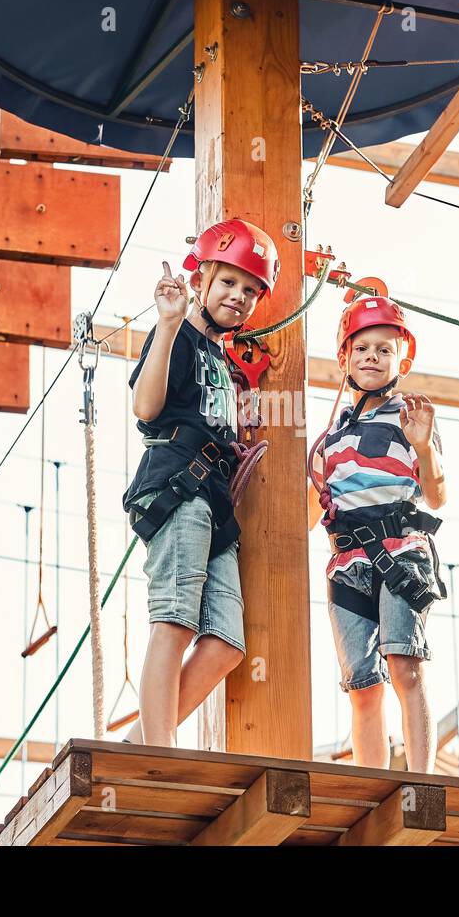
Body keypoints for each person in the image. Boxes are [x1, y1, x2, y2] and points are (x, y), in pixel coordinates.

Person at [121, 218, 280, 747]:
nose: (240, 296)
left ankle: (145, 741)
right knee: (175, 622)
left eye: (251, 290)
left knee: (227, 644)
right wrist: (167, 325)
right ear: (201, 281)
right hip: (179, 489)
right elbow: (146, 408)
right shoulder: (181, 338)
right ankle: (159, 754)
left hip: (213, 502)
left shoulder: (219, 356)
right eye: (229, 282)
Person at [308, 279, 447, 772]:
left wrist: (424, 447)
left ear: (400, 361)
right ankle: (373, 784)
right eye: (361, 348)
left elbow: (437, 495)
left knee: (404, 667)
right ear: (345, 360)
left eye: (383, 349)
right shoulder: (329, 441)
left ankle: (421, 779)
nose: (371, 356)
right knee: (363, 687)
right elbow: (310, 516)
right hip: (348, 564)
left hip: (401, 552)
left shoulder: (411, 419)